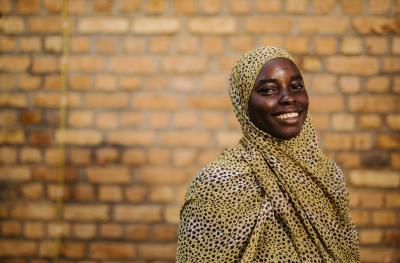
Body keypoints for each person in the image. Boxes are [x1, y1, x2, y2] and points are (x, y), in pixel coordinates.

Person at [176, 46, 360, 262]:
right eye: (268, 90)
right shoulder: (216, 186)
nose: (288, 98)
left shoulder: (327, 176)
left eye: (296, 86)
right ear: (243, 104)